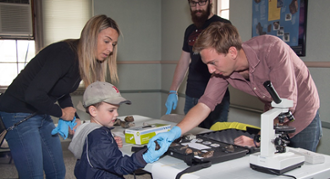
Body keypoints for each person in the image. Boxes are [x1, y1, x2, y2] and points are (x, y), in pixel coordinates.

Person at [150, 22, 321, 153]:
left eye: (213, 62)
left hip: (303, 115)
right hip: (275, 116)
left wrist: (259, 141)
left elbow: (286, 105)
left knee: (301, 169)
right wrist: (175, 132)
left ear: (232, 52)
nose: (210, 70)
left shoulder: (272, 50)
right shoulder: (223, 70)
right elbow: (205, 105)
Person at [0, 14, 121, 179]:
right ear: (91, 35)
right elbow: (33, 94)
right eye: (106, 41)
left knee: (57, 172)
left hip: (39, 111)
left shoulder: (81, 59)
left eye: (113, 44)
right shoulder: (64, 53)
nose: (110, 49)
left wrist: (73, 117)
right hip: (17, 112)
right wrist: (62, 113)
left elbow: (60, 90)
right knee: (32, 175)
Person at [69, 81, 167, 179]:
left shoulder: (88, 129)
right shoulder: (99, 138)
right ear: (93, 111)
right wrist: (144, 157)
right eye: (111, 110)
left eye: (117, 110)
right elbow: (119, 165)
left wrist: (110, 144)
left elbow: (94, 153)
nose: (116, 114)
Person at [165, 0, 231, 129]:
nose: (197, 8)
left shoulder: (222, 25)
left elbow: (228, 60)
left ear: (210, 2)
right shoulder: (190, 30)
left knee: (215, 138)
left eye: (201, 3)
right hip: (191, 95)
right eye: (193, 4)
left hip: (215, 95)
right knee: (190, 137)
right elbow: (184, 61)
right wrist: (173, 90)